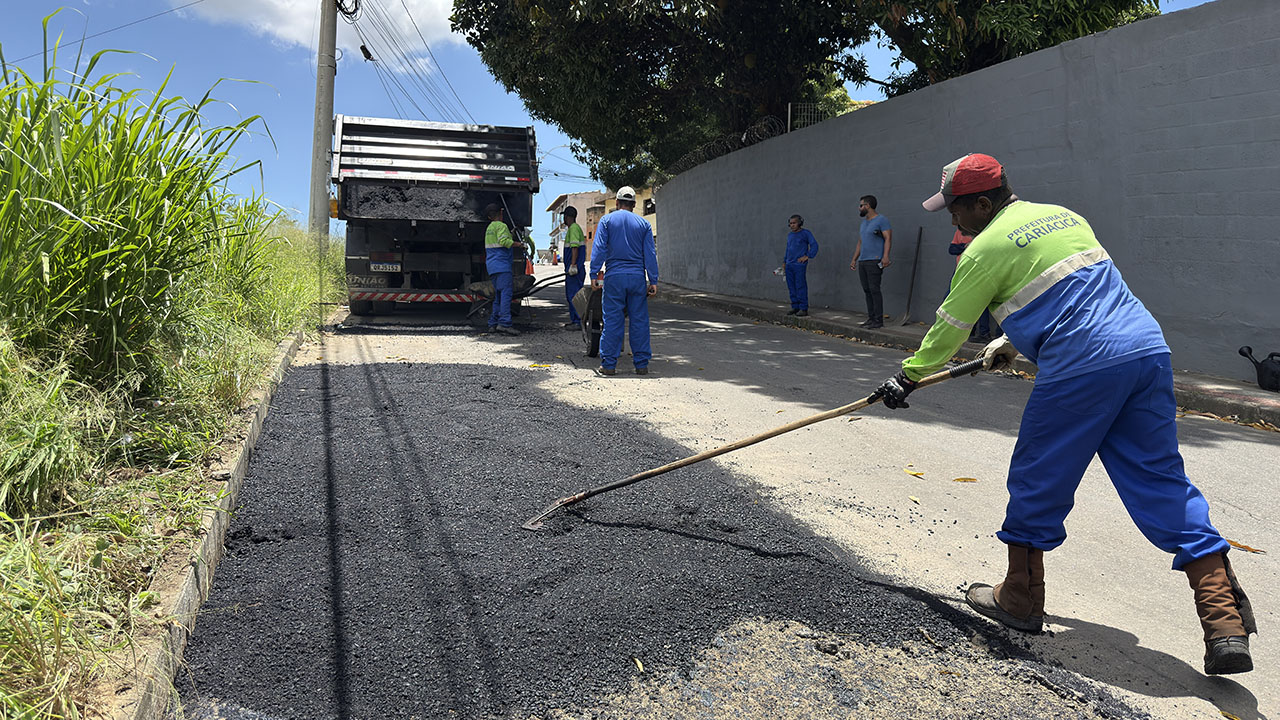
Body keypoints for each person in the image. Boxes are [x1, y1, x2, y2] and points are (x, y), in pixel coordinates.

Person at [873, 153, 1255, 675]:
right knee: (1159, 478)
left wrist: (908, 378)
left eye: (955, 211)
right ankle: (1223, 619)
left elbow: (949, 328)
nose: (953, 220)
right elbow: (1075, 294)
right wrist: (1012, 341)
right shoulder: (1064, 216)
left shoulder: (982, 251)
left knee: (1038, 476)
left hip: (1082, 366)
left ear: (982, 203)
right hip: (1145, 352)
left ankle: (1021, 601)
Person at [589, 186, 659, 376]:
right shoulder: (643, 224)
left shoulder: (607, 221)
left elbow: (600, 248)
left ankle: (609, 365)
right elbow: (650, 254)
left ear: (617, 203)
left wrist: (594, 273)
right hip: (637, 277)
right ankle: (641, 364)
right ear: (634, 205)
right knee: (639, 321)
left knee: (612, 321)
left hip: (614, 278)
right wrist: (653, 280)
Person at [849, 195, 892, 328]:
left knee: (874, 289)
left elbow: (888, 238)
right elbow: (860, 242)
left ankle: (878, 320)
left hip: (874, 261)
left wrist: (885, 256)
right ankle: (871, 318)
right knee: (867, 290)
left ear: (868, 206)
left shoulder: (882, 220)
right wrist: (854, 259)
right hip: (863, 261)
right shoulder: (864, 223)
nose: (859, 208)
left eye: (861, 205)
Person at [948, 228, 997, 341]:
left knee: (979, 302)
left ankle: (984, 333)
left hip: (976, 271)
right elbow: (952, 249)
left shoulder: (984, 231)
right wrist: (964, 246)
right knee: (953, 299)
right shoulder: (959, 231)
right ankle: (969, 331)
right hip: (960, 271)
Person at [483, 203, 523, 336]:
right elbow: (504, 241)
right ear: (501, 212)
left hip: (492, 266)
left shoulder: (489, 228)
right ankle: (504, 324)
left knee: (498, 296)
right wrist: (520, 244)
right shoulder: (501, 226)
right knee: (506, 295)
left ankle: (493, 323)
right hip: (502, 266)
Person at [783, 215, 819, 317]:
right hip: (789, 264)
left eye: (794, 223)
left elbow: (814, 245)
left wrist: (808, 256)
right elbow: (788, 249)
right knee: (791, 286)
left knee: (800, 285)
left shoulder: (805, 233)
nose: (792, 225)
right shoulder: (790, 235)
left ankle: (803, 308)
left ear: (800, 223)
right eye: (790, 223)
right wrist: (784, 261)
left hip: (799, 265)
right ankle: (795, 306)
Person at [561, 206, 587, 328]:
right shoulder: (574, 228)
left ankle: (577, 321)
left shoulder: (573, 229)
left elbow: (574, 248)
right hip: (574, 269)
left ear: (566, 217)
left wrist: (573, 265)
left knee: (573, 295)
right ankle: (575, 320)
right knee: (572, 294)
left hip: (575, 270)